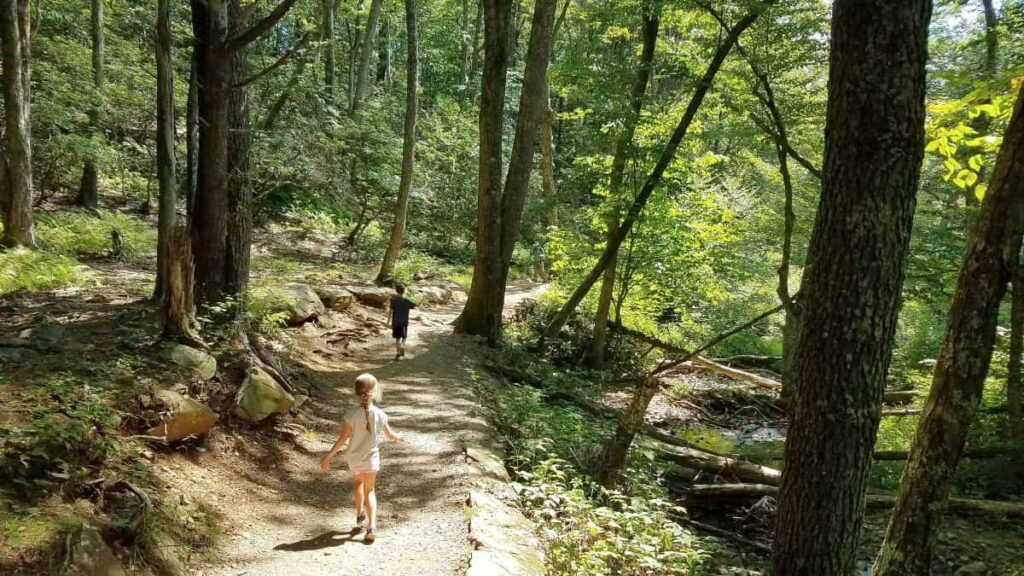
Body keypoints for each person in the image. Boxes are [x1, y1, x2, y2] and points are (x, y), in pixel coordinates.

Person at [320, 373, 401, 543]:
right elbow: (390, 436)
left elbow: (343, 439)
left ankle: (359, 515)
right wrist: (398, 438)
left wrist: (328, 456)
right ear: (375, 391)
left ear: (356, 393)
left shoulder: (350, 414)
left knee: (358, 483)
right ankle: (371, 527)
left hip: (354, 458)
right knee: (370, 490)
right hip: (371, 459)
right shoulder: (380, 414)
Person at [386, 284, 416, 360]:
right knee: (404, 337)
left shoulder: (393, 300)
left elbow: (390, 312)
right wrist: (422, 300)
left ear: (396, 291)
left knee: (397, 338)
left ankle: (398, 353)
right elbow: (415, 305)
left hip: (396, 322)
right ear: (404, 291)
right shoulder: (407, 301)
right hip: (404, 322)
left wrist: (388, 322)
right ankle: (402, 345)